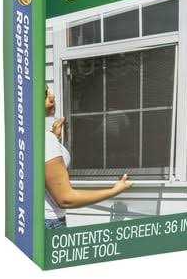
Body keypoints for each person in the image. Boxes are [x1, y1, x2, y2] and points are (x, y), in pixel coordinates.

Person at [44, 86, 132, 229]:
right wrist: (115, 190)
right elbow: (65, 199)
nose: (52, 97)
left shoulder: (32, 135)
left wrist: (54, 137)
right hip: (50, 222)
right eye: (45, 94)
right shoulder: (46, 141)